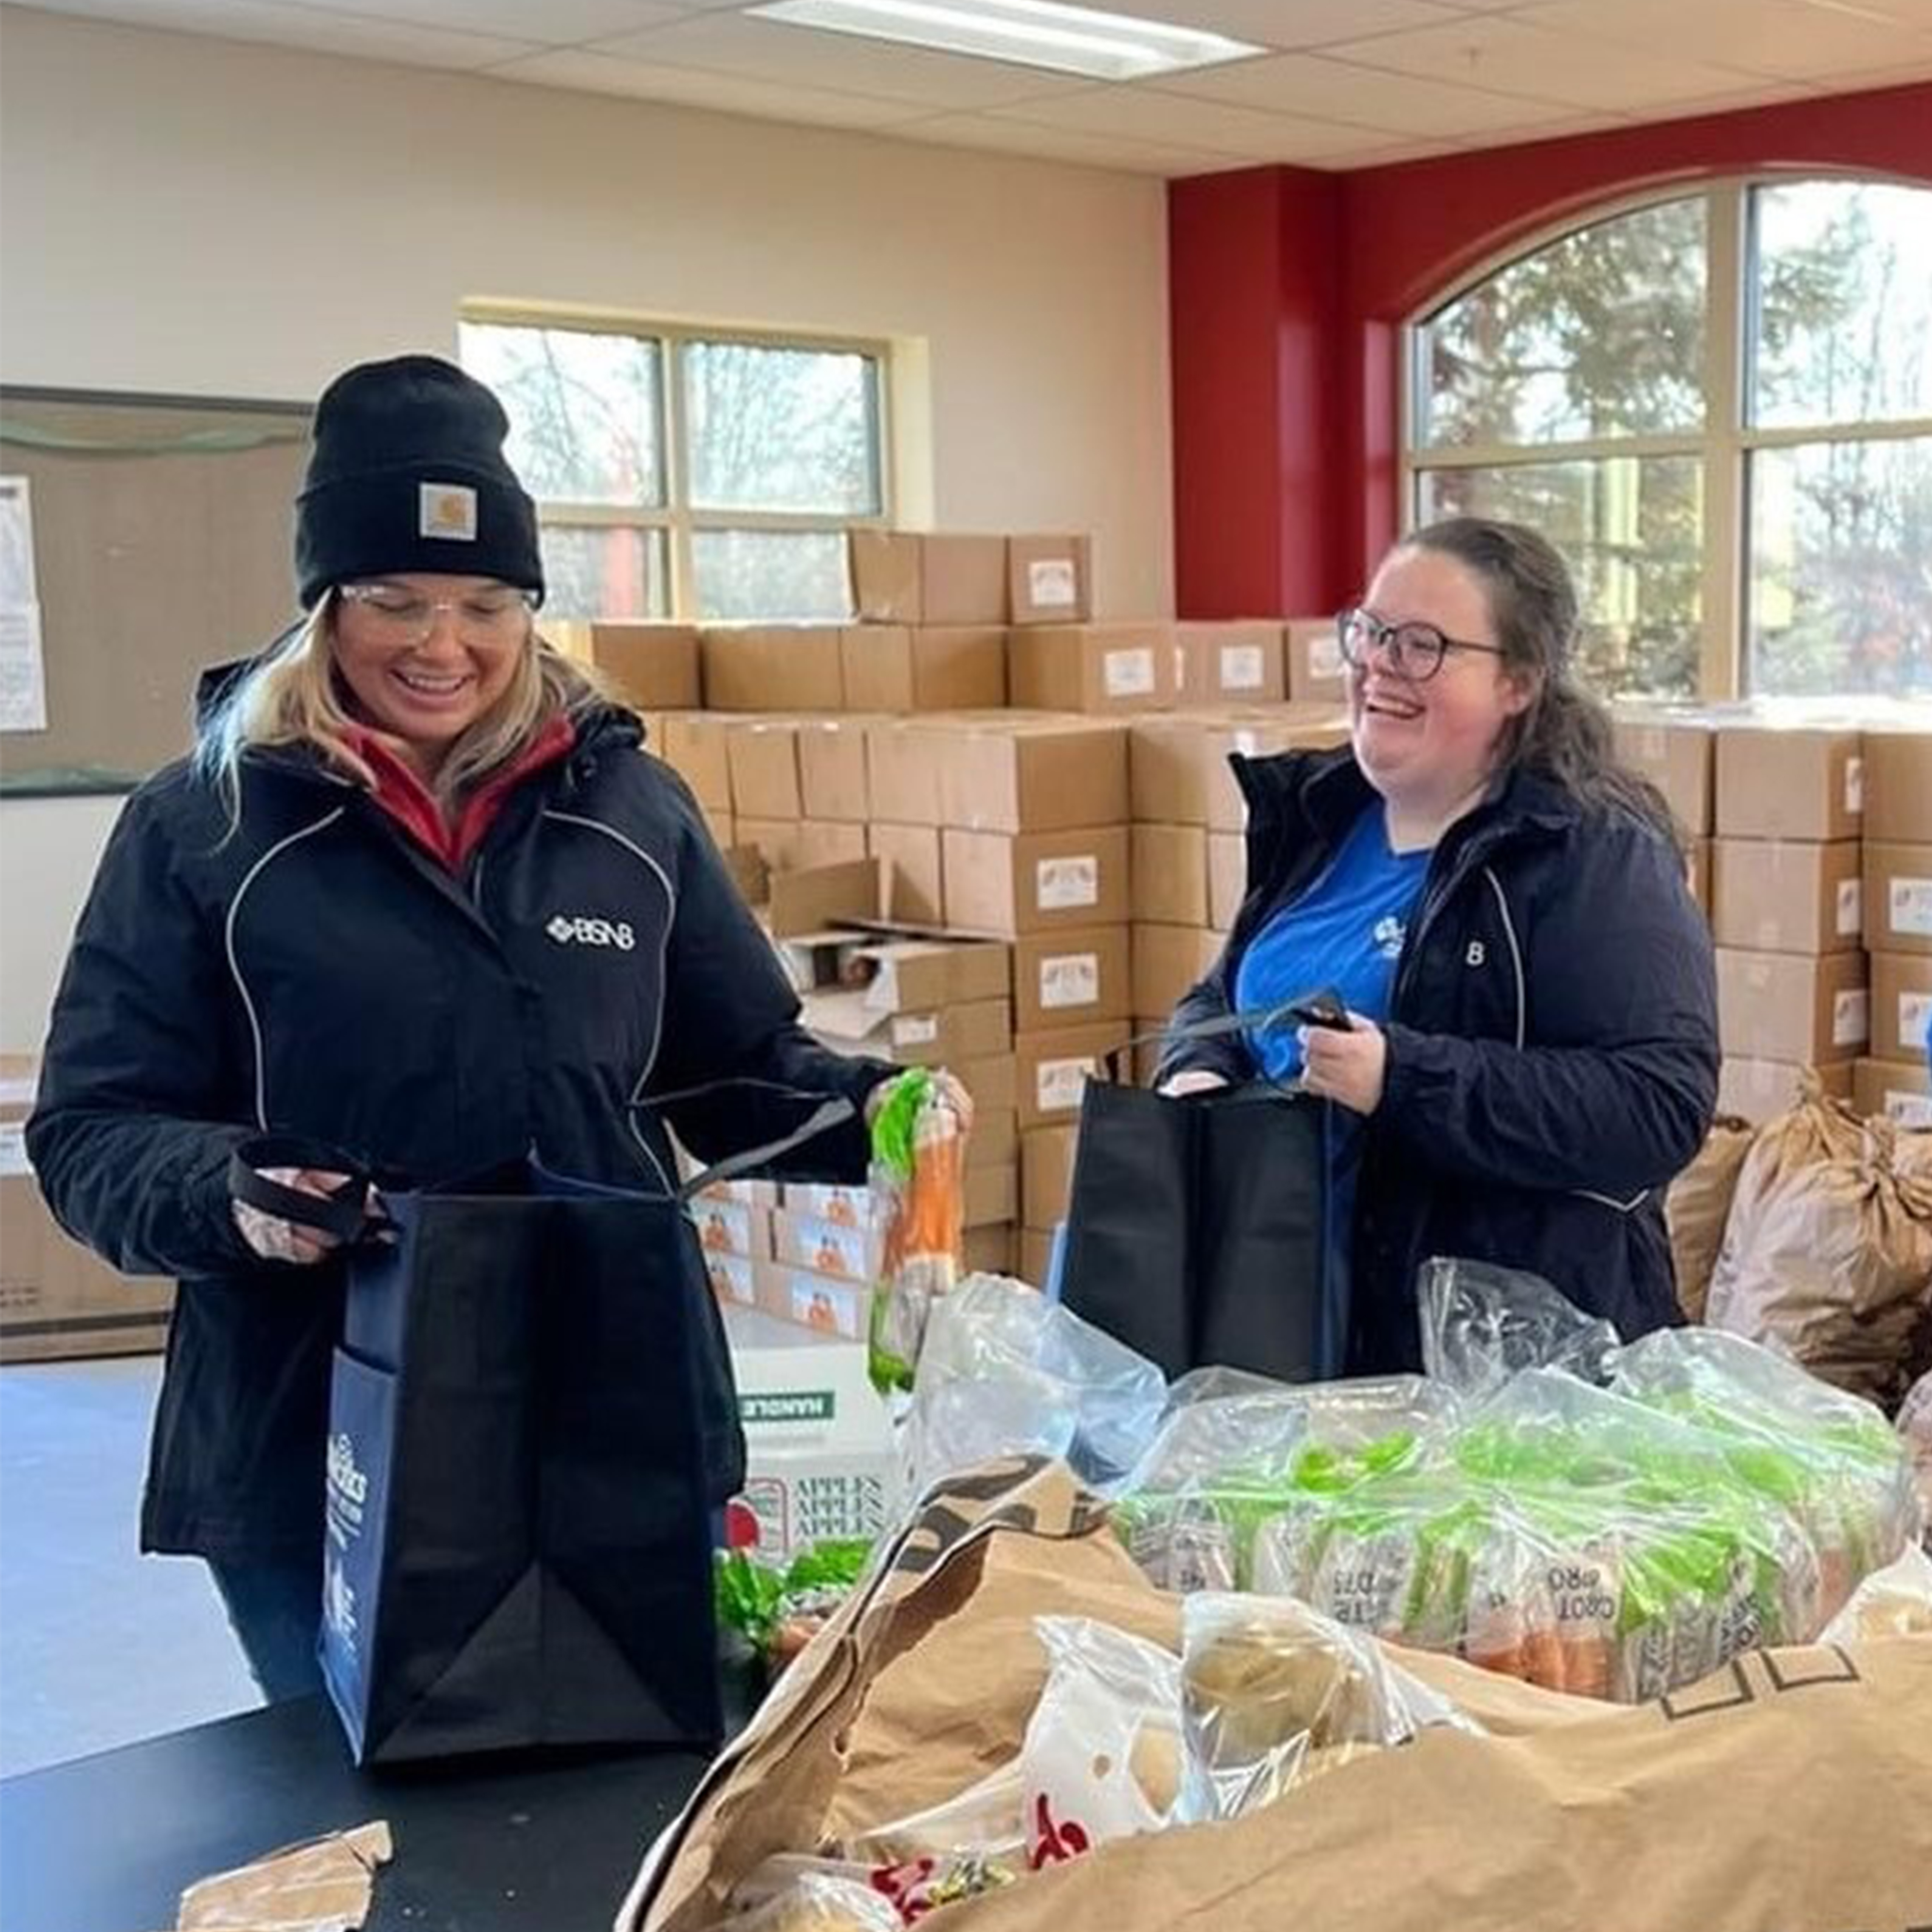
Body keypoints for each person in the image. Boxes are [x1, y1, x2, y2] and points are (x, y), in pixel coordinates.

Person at [26, 354, 951, 1699]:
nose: (439, 643)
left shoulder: (627, 812)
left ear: (529, 609)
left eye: (481, 603)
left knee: (632, 1804)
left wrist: (869, 1112)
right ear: (321, 608)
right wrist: (233, 1196)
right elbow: (93, 1128)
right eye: (393, 600)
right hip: (320, 1425)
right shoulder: (202, 826)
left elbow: (733, 1066)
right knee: (371, 1835)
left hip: (614, 1409)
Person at [1158, 516, 1719, 1375]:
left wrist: (1401, 1078)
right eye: (1371, 632)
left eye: (1424, 645)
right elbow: (1228, 994)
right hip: (1284, 1335)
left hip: (1496, 1377)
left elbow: (1656, 1105)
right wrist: (1198, 1065)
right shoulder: (1320, 818)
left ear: (1519, 683)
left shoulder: (1590, 851)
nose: (1380, 663)